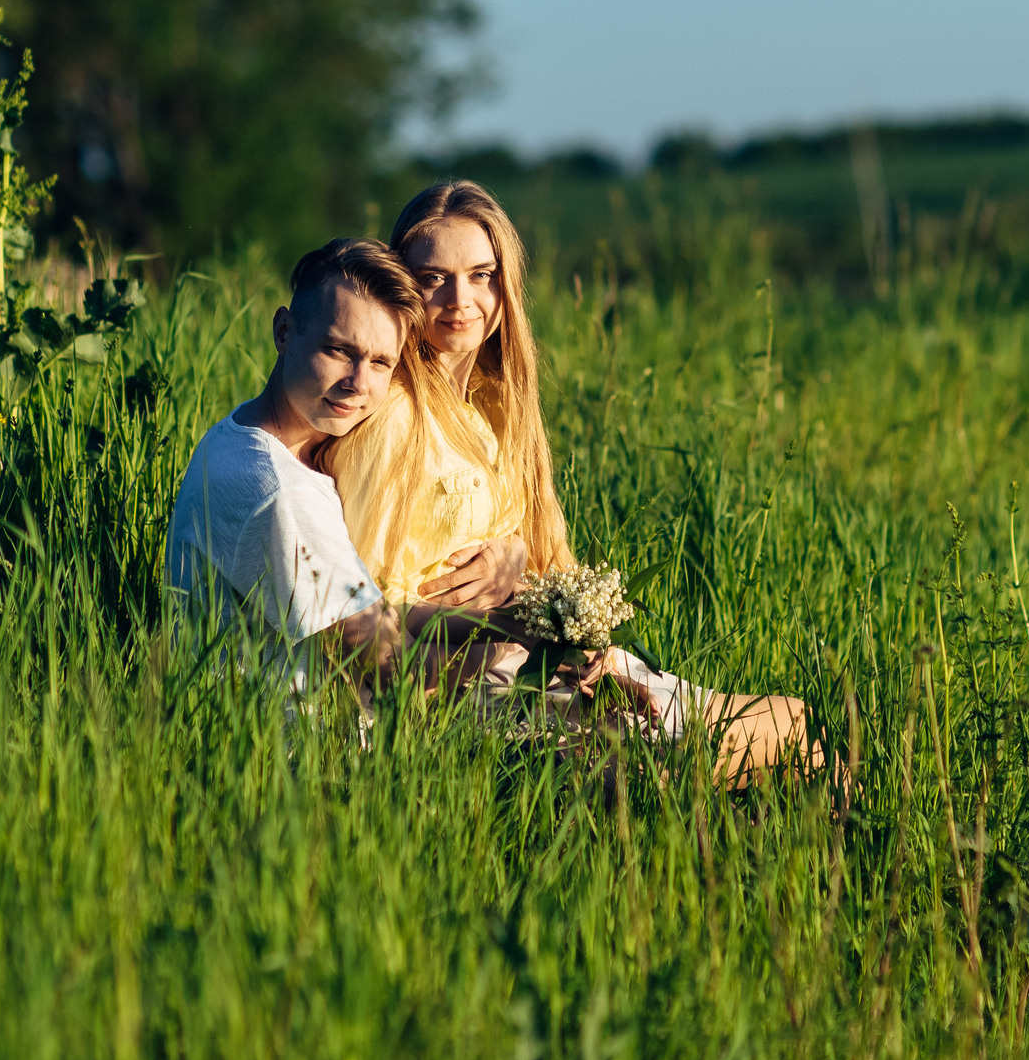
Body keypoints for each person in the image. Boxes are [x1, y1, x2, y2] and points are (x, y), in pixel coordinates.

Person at [326, 180, 824, 785]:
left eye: (482, 275)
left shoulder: (494, 404)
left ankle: (826, 866)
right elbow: (359, 608)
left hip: (536, 661)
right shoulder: (394, 415)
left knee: (797, 727)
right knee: (754, 742)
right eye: (434, 279)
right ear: (403, 289)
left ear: (506, 284)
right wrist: (505, 632)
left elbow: (538, 561)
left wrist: (584, 640)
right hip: (463, 685)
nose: (462, 299)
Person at [164, 237, 513, 690]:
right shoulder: (282, 494)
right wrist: (512, 644)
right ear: (284, 332)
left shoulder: (240, 435)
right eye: (339, 351)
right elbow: (393, 668)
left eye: (382, 362)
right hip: (294, 746)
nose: (358, 383)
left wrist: (509, 614)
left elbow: (379, 615)